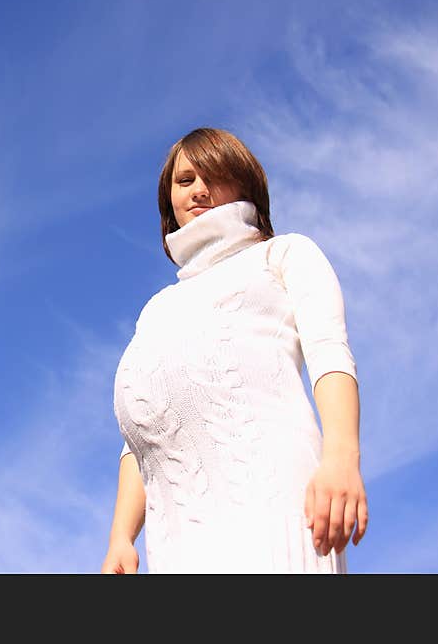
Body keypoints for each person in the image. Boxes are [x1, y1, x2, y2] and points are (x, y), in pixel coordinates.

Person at [101, 128, 368, 573]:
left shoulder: (282, 255)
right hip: (178, 545)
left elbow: (331, 353)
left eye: (214, 175)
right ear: (169, 200)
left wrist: (341, 457)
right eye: (185, 181)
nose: (200, 190)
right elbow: (139, 436)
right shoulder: (156, 310)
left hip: (278, 514)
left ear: (244, 184)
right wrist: (121, 538)